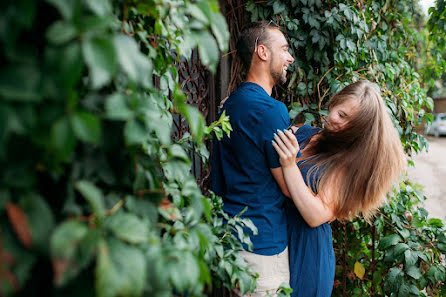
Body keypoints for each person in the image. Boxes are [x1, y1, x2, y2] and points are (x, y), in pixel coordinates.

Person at [271, 80, 406, 296]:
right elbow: (265, 131)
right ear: (335, 100)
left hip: (307, 256)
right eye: (340, 113)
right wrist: (245, 106)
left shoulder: (343, 165)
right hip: (277, 241)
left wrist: (289, 165)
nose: (336, 121)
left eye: (348, 122)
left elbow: (315, 215)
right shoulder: (305, 134)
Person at [211, 20, 295, 296]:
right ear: (262, 52)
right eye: (284, 49)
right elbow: (288, 186)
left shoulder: (229, 104)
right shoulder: (272, 111)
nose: (289, 57)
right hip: (263, 248)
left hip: (231, 240)